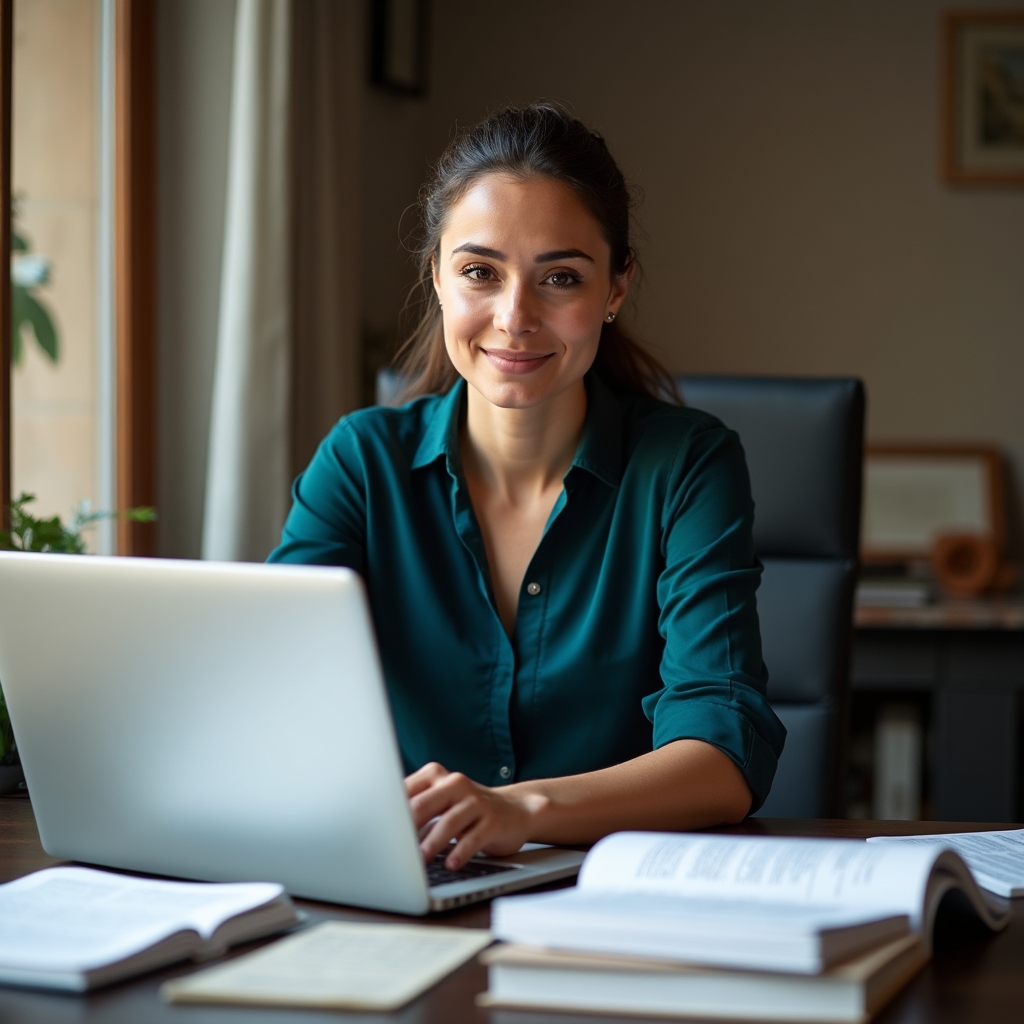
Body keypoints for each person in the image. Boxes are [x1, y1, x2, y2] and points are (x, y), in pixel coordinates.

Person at [269, 103, 786, 872]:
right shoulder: (359, 462)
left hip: (615, 905)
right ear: (437, 276)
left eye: (561, 278)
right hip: (404, 890)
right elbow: (272, 694)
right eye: (481, 271)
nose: (514, 317)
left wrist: (520, 809)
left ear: (615, 288)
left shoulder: (687, 466)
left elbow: (723, 756)